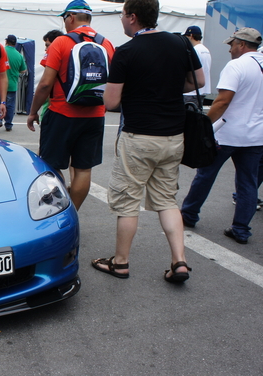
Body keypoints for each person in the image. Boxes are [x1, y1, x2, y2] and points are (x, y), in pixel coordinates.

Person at [91, 0, 204, 283]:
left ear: (132, 17)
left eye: (121, 15)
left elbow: (111, 101)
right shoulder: (182, 44)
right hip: (174, 136)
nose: (121, 20)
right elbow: (197, 81)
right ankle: (179, 261)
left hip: (139, 137)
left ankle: (121, 262)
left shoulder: (127, 51)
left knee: (128, 202)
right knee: (167, 200)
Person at [25, 0, 115, 211]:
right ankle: (72, 213)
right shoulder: (107, 44)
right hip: (94, 116)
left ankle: (56, 215)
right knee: (83, 170)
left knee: (51, 168)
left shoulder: (62, 42)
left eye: (65, 19)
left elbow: (46, 83)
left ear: (71, 17)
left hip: (61, 113)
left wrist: (33, 111)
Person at [181, 27, 263, 245]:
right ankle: (241, 229)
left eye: (232, 44)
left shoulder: (237, 66)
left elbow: (223, 100)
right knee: (248, 182)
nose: (230, 49)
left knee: (205, 174)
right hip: (256, 135)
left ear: (242, 45)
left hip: (228, 132)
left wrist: (205, 126)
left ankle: (189, 214)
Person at [0, 35, 27, 131]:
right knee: (10, 105)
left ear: (6, 42)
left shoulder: (0, 52)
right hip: (12, 85)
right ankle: (8, 124)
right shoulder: (19, 55)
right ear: (15, 43)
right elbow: (23, 70)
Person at [183, 25, 212, 108]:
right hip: (202, 91)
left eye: (187, 36)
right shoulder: (206, 50)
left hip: (191, 92)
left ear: (191, 36)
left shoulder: (194, 50)